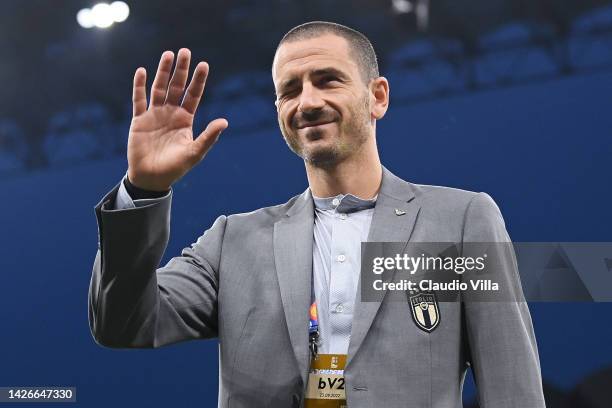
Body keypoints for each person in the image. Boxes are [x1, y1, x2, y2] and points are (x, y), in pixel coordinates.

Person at [89, 21, 546, 408]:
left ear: (378, 97)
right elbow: (123, 322)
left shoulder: (461, 219)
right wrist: (145, 188)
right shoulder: (232, 242)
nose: (307, 101)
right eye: (290, 90)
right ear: (279, 111)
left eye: (327, 79)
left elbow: (512, 384)